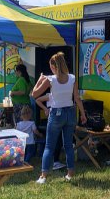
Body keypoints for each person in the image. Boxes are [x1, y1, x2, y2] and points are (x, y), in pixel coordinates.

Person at [32, 52, 87, 183]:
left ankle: (43, 176)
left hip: (56, 113)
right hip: (71, 112)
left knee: (49, 146)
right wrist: (83, 114)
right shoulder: (72, 78)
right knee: (68, 145)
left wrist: (40, 79)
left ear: (53, 66)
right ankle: (70, 174)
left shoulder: (50, 79)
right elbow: (77, 98)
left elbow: (34, 94)